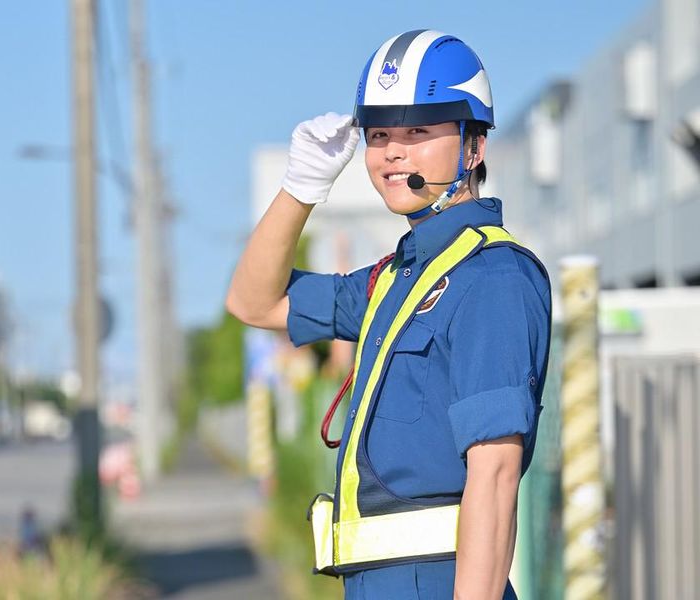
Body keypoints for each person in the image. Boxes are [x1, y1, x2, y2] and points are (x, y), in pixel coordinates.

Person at [227, 29, 551, 600]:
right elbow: (254, 302)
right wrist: (301, 188)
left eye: (418, 131)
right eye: (379, 135)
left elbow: (496, 474)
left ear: (474, 146)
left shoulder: (493, 278)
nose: (393, 152)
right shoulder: (393, 279)